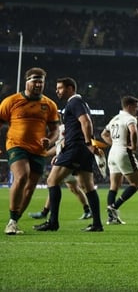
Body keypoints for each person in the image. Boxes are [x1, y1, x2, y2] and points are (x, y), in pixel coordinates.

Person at [34, 77, 104, 232]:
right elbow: (78, 128)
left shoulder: (74, 102)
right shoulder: (78, 103)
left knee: (52, 181)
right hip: (80, 148)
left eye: (60, 88)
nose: (57, 91)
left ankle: (53, 222)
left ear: (70, 88)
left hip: (76, 148)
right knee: (88, 186)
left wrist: (87, 142)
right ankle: (97, 224)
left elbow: (86, 122)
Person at [1, 67, 61, 235]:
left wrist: (50, 140)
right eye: (35, 80)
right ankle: (12, 220)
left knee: (30, 187)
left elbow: (55, 130)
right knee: (22, 176)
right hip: (16, 145)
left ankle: (15, 220)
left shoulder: (49, 105)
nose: (38, 84)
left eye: (41, 81)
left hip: (38, 150)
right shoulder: (11, 101)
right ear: (26, 81)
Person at [28, 125, 92, 222]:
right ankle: (88, 210)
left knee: (53, 182)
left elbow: (65, 143)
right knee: (74, 188)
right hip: (65, 157)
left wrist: (59, 156)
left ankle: (45, 213)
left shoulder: (66, 127)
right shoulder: (62, 127)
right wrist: (48, 154)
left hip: (66, 159)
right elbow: (59, 145)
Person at [103, 96, 138, 225]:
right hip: (123, 152)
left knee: (114, 185)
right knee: (136, 184)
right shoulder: (130, 118)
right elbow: (134, 131)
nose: (137, 109)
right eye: (136, 106)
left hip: (112, 153)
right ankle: (114, 207)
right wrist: (134, 147)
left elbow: (103, 134)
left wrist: (113, 143)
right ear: (129, 106)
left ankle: (111, 218)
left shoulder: (115, 118)